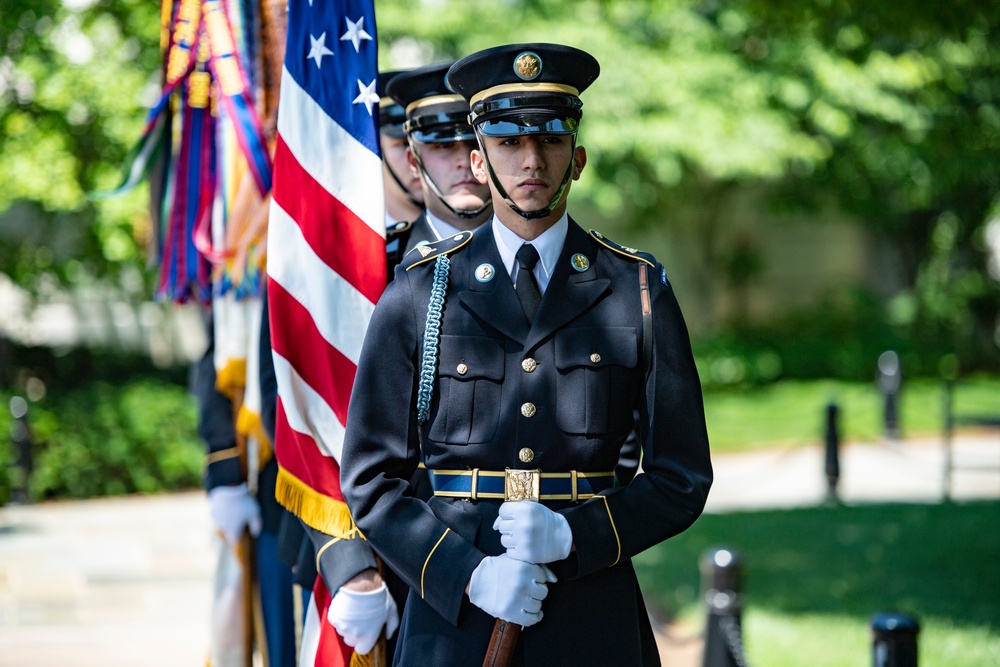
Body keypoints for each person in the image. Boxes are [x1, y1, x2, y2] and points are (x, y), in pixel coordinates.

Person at [340, 43, 714, 666]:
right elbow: (372, 480)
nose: (531, 160)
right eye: (509, 142)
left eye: (550, 140)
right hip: (453, 623)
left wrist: (576, 536)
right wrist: (468, 574)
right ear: (480, 162)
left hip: (592, 617)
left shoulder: (636, 291)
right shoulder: (419, 293)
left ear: (579, 157)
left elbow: (681, 476)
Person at [383, 61, 492, 263]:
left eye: (476, 143)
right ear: (413, 162)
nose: (465, 161)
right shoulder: (382, 263)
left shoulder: (531, 252)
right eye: (443, 146)